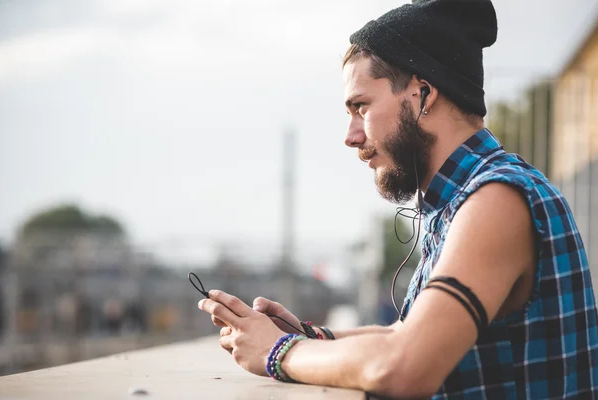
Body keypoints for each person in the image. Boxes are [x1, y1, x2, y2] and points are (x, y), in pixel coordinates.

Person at [198, 0, 598, 398]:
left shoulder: (497, 199)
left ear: (422, 94)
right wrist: (312, 336)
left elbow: (405, 363)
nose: (351, 135)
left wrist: (277, 351)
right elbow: (410, 334)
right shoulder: (465, 200)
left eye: (361, 107)